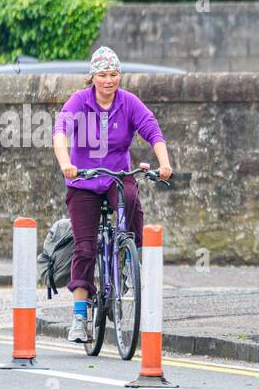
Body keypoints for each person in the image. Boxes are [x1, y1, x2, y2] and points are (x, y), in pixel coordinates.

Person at [52, 46, 173, 343]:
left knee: (131, 198)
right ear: (93, 77)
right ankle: (80, 316)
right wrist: (66, 164)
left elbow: (152, 130)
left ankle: (127, 256)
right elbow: (60, 131)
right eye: (103, 74)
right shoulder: (80, 102)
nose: (109, 80)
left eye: (114, 74)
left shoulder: (128, 103)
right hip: (84, 182)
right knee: (84, 248)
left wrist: (165, 163)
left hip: (117, 176)